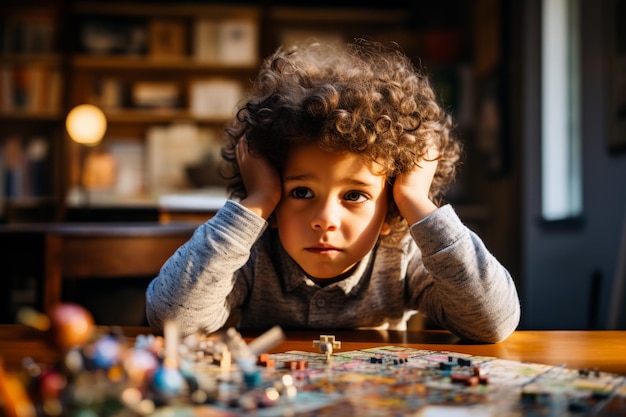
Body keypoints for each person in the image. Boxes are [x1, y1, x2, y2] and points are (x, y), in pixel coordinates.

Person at [146, 39, 520, 343]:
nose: (325, 220)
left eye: (355, 196)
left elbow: (492, 321)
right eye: (302, 193)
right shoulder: (249, 258)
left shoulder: (401, 256)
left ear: (390, 213)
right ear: (275, 200)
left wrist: (415, 201)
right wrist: (256, 202)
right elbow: (172, 319)